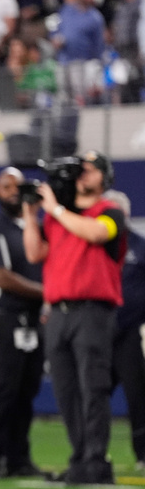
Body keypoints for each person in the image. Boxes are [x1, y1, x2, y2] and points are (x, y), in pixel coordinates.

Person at [23, 152, 128, 485]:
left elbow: (96, 233)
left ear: (105, 177)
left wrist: (54, 208)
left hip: (93, 311)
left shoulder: (111, 211)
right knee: (66, 390)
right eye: (79, 170)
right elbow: (35, 253)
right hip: (58, 312)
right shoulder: (57, 218)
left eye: (91, 169)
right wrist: (30, 214)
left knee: (92, 387)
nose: (83, 174)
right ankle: (79, 457)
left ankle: (96, 460)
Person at [0, 167, 48, 480]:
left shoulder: (34, 229)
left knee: (26, 390)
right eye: (6, 186)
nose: (14, 191)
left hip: (31, 320)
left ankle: (18, 458)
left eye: (19, 185)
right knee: (0, 389)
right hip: (1, 321)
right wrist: (48, 293)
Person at [102, 190, 145, 472]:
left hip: (130, 331)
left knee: (138, 396)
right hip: (98, 330)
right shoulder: (92, 243)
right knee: (93, 395)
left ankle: (142, 454)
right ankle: (91, 453)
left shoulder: (139, 246)